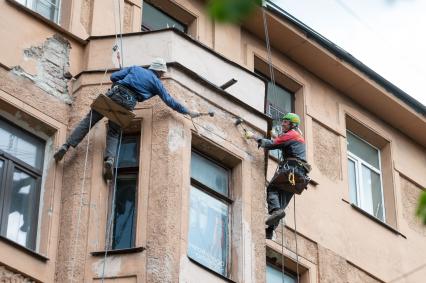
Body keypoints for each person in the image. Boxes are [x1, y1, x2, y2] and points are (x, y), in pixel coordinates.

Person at [54, 58, 201, 180]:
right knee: (114, 132)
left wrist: (124, 79)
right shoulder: (157, 83)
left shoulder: (136, 68)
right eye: (162, 73)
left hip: (115, 93)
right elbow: (170, 101)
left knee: (88, 121)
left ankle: (66, 146)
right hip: (128, 103)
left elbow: (113, 77)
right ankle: (110, 160)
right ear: (160, 71)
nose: (162, 75)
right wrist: (188, 111)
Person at [248, 113, 309, 239]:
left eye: (285, 122)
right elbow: (283, 142)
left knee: (272, 188)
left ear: (292, 124)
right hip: (299, 176)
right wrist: (276, 136)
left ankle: (275, 214)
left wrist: (254, 137)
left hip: (292, 170)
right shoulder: (297, 136)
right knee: (281, 205)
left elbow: (272, 144)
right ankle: (270, 230)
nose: (282, 124)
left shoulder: (291, 135)